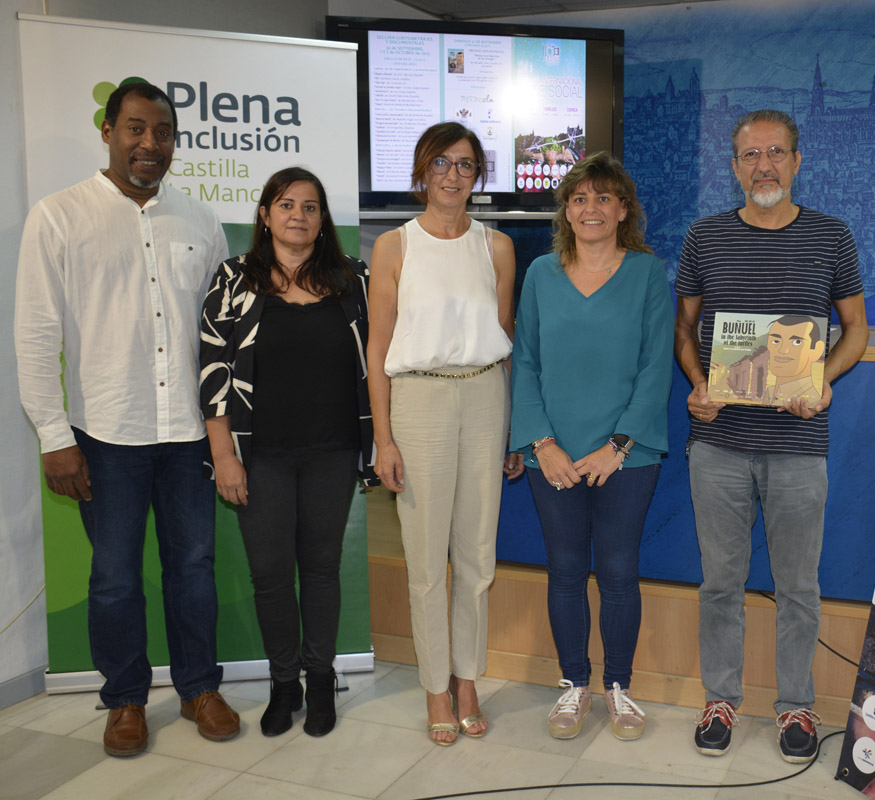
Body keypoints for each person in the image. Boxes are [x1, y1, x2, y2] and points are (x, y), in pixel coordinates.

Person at [14, 82, 239, 756]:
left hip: (188, 431)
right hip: (105, 433)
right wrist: (55, 438)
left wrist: (224, 428)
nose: (150, 144)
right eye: (136, 129)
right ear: (108, 131)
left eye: (163, 132)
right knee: (113, 574)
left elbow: (221, 337)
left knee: (193, 567)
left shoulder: (200, 221)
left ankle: (200, 686)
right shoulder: (58, 216)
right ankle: (125, 700)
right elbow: (34, 335)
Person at [674, 109, 868, 764]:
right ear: (733, 167)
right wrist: (699, 384)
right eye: (750, 155)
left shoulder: (831, 236)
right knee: (720, 583)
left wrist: (825, 379)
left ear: (796, 160)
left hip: (798, 445)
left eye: (776, 153)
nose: (764, 165)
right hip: (720, 443)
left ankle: (796, 708)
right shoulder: (704, 237)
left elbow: (856, 331)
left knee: (798, 588)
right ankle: (721, 698)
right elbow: (684, 330)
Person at [199, 167, 375, 738]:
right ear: (265, 215)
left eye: (311, 206)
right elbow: (212, 369)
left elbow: (377, 361)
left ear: (323, 219)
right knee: (271, 575)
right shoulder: (233, 279)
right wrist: (223, 453)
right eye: (286, 204)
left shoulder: (354, 278)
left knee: (321, 570)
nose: (298, 215)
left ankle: (320, 681)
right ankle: (283, 684)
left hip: (332, 449)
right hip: (260, 454)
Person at [366, 121, 523, 746]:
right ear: (421, 172)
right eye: (440, 164)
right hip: (419, 400)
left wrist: (513, 429)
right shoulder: (394, 247)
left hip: (485, 393)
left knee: (477, 555)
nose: (452, 175)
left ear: (477, 175)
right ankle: (435, 684)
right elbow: (377, 347)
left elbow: (506, 342)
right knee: (427, 557)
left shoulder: (499, 247)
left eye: (464, 164)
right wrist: (384, 438)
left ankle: (467, 677)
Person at [510, 153, 673, 741]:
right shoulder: (539, 275)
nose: (591, 208)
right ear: (566, 211)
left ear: (623, 209)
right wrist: (542, 444)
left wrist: (618, 446)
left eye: (604, 197)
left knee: (619, 571)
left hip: (626, 457)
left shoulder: (648, 274)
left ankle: (619, 690)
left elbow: (657, 368)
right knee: (565, 570)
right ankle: (574, 684)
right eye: (579, 198)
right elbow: (523, 362)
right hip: (550, 454)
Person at [764, 315, 826, 403]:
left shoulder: (812, 401)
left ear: (817, 351)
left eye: (797, 342)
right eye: (776, 341)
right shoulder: (769, 393)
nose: (783, 350)